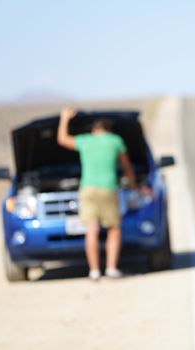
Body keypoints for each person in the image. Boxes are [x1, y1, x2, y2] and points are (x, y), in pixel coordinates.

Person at [57, 108, 139, 281]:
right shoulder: (115, 141)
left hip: (87, 189)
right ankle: (111, 268)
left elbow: (62, 139)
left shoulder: (85, 140)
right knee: (113, 229)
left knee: (91, 230)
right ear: (108, 129)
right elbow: (127, 167)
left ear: (94, 130)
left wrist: (64, 118)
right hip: (108, 188)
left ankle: (94, 271)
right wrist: (134, 187)